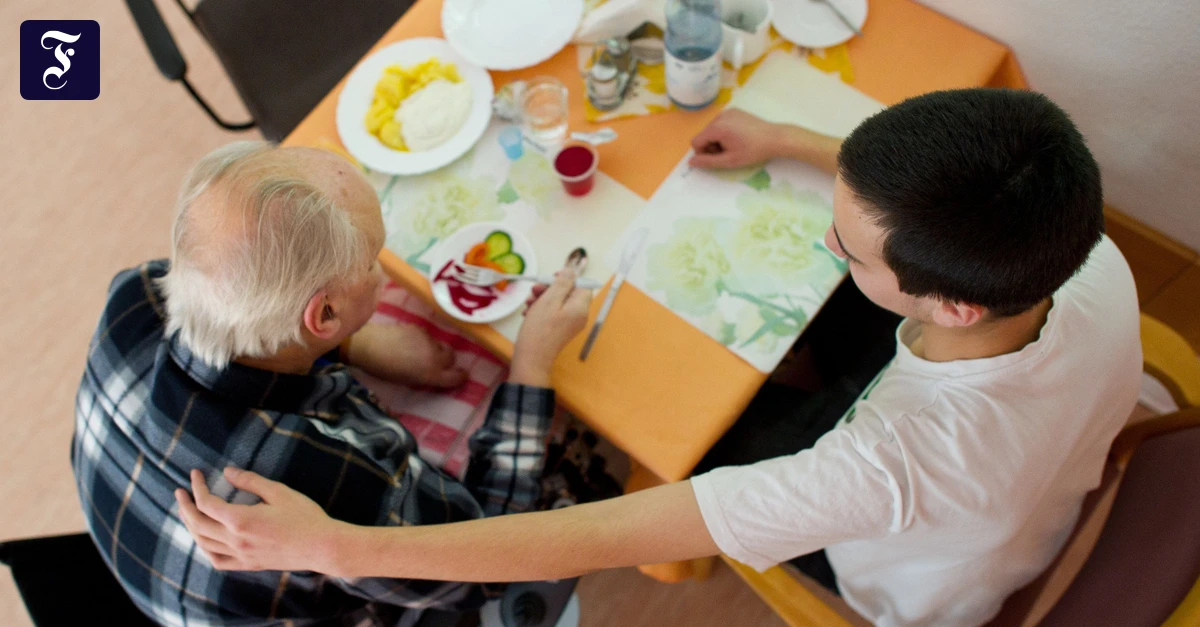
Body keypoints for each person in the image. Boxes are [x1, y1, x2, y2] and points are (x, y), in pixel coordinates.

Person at [174, 89, 1143, 627]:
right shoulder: (1082, 249)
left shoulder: (884, 465)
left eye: (848, 250)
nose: (831, 249)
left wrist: (332, 548)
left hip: (926, 591)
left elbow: (607, 534)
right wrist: (789, 139)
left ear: (954, 300)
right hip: (1058, 453)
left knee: (694, 439)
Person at [72, 141, 592, 627]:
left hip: (149, 560)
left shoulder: (133, 295)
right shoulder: (323, 477)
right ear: (323, 313)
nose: (382, 273)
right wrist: (532, 364)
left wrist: (358, 345)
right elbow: (486, 559)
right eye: (371, 261)